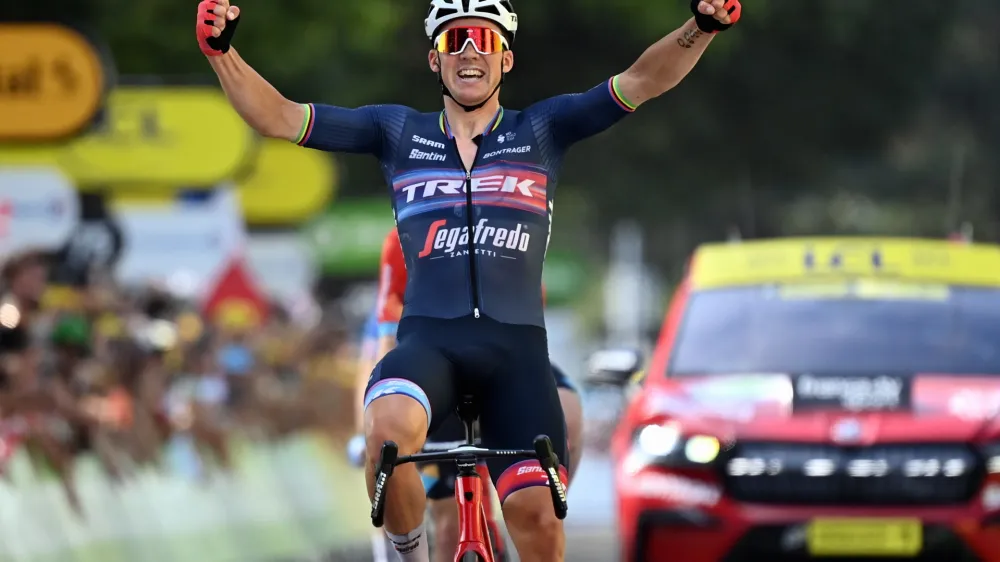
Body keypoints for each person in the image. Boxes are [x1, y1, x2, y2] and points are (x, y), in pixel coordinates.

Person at [196, 0, 740, 559]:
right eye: (455, 41)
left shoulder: (543, 128)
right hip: (430, 345)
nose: (471, 51)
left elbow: (643, 80)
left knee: (537, 517)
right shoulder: (396, 131)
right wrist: (222, 54)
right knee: (385, 435)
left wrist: (699, 29)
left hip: (516, 352)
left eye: (484, 39)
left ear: (506, 59)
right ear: (436, 61)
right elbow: (281, 117)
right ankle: (411, 555)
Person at [352, 228, 584, 561]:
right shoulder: (405, 234)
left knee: (571, 413)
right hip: (434, 369)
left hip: (504, 364)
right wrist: (374, 422)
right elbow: (384, 343)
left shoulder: (511, 227)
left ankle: (540, 511)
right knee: (448, 522)